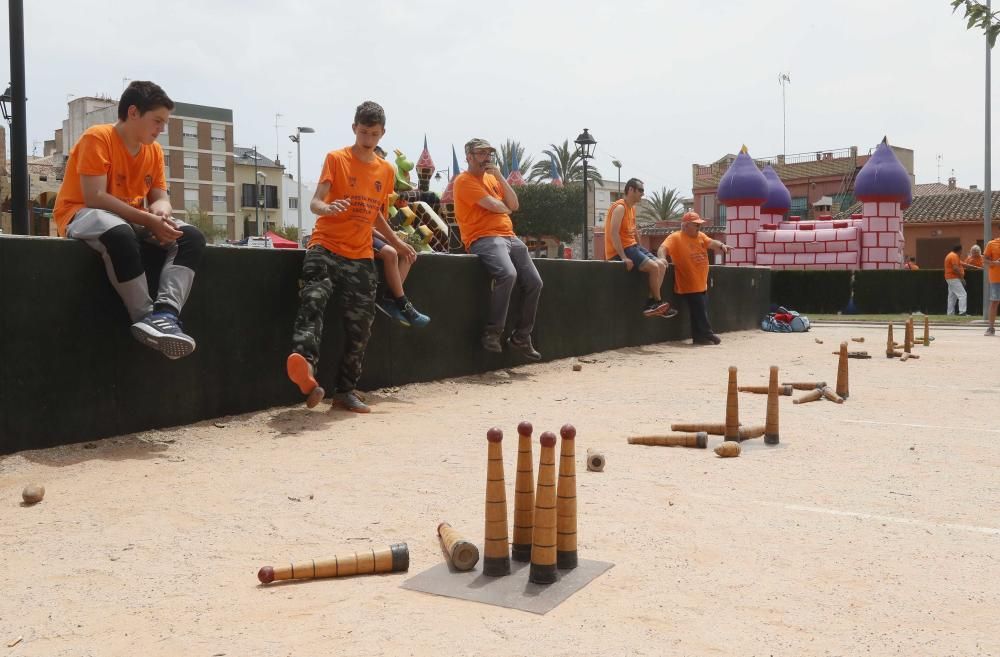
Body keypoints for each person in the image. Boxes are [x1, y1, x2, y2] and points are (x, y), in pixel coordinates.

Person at [52, 80, 205, 359]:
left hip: (129, 219)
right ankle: (147, 318)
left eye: (164, 122)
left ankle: (166, 315)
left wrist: (161, 212)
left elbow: (160, 196)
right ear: (133, 112)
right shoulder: (97, 137)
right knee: (119, 232)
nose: (161, 129)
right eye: (157, 121)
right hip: (81, 214)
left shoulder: (154, 151)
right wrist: (148, 220)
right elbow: (95, 196)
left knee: (191, 237)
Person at [285, 101, 417, 413]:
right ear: (354, 128)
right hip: (325, 246)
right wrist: (328, 208)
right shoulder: (336, 158)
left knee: (361, 326)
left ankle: (345, 392)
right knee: (313, 299)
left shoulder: (385, 170)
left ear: (382, 133)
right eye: (363, 131)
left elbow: (377, 216)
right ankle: (304, 367)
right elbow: (316, 202)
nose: (368, 138)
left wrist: (397, 242)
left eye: (374, 133)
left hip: (360, 256)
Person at [453, 138, 543, 360]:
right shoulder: (463, 181)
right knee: (508, 274)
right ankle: (492, 332)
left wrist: (501, 177)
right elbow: (496, 206)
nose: (486, 157)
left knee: (535, 282)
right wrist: (506, 209)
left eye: (488, 153)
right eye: (481, 153)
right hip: (484, 237)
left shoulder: (493, 179)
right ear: (469, 156)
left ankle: (522, 337)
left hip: (510, 237)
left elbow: (514, 204)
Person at [657, 211, 731, 345]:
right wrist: (662, 259)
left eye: (699, 225)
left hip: (701, 283)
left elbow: (711, 242)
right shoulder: (675, 237)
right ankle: (708, 333)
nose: (699, 227)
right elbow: (662, 248)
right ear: (685, 226)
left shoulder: (701, 236)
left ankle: (699, 338)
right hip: (688, 284)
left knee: (698, 311)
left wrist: (721, 246)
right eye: (696, 225)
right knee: (700, 310)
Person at [605, 178, 675, 318]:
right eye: (640, 190)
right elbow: (613, 233)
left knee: (662, 264)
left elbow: (634, 229)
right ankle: (657, 302)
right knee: (654, 267)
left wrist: (641, 246)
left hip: (633, 247)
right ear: (631, 190)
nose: (643, 194)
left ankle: (651, 303)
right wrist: (624, 257)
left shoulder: (632, 208)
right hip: (622, 250)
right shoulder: (620, 208)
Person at [944, 244, 968, 316]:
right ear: (960, 250)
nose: (962, 252)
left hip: (949, 278)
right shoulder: (954, 256)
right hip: (953, 278)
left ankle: (950, 313)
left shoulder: (950, 255)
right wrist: (962, 278)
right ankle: (962, 312)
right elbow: (955, 268)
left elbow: (961, 264)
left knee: (952, 296)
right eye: (961, 250)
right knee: (963, 295)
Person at [983, 236, 1000, 335]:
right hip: (996, 279)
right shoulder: (992, 244)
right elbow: (984, 260)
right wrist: (995, 263)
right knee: (994, 302)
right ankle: (991, 328)